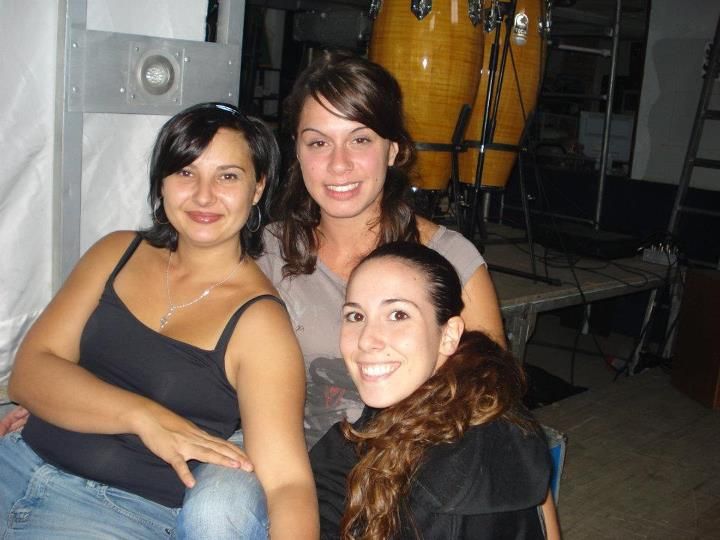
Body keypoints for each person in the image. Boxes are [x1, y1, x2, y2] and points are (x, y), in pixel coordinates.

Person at [0, 103, 318, 539]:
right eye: (186, 172)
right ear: (162, 181)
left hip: (115, 512)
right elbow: (28, 374)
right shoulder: (116, 252)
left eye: (228, 176)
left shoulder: (260, 324)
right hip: (16, 459)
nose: (204, 195)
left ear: (258, 187)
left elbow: (287, 484)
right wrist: (144, 416)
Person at [311, 241, 558, 539]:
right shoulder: (436, 408)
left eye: (398, 315)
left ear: (449, 335)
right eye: (356, 316)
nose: (366, 340)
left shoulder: (448, 490)